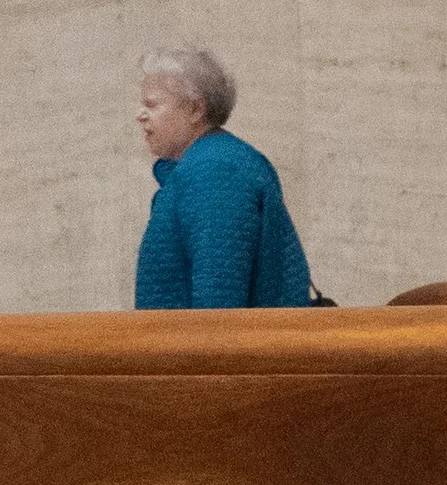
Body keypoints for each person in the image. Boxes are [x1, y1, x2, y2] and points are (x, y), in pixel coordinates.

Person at [132, 47, 313, 310]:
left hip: (210, 349)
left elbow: (218, 303)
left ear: (194, 109)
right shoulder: (211, 163)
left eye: (152, 104)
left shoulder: (216, 171)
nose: (141, 115)